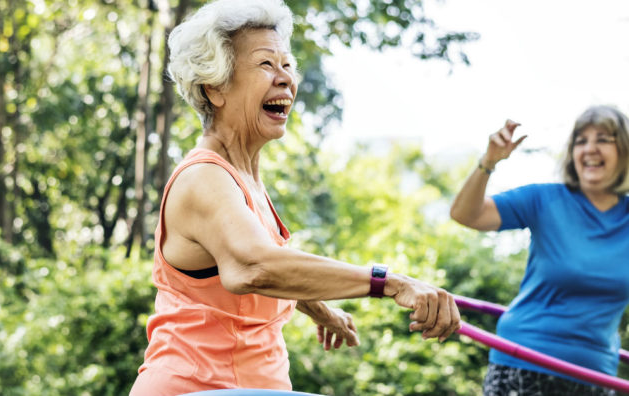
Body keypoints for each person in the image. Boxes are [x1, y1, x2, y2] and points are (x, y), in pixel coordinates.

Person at [129, 0, 461, 394]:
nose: (285, 78)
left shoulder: (245, 181)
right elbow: (254, 266)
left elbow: (267, 271)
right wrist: (387, 282)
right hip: (198, 386)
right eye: (267, 65)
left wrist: (321, 310)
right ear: (215, 87)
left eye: (288, 65)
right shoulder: (204, 177)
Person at [450, 106, 629, 396]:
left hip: (596, 376)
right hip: (524, 364)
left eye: (603, 139)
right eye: (581, 141)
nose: (590, 149)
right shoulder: (544, 199)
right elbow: (466, 214)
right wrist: (489, 162)